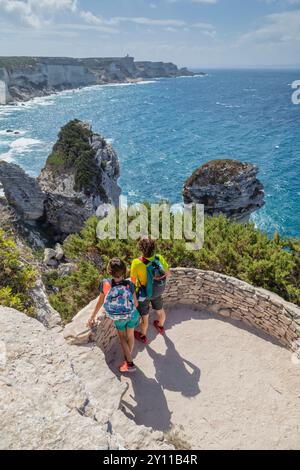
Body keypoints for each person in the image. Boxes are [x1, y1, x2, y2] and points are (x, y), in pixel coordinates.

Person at [87, 258, 139, 373]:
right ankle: (128, 359)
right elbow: (135, 303)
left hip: (118, 317)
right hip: (132, 314)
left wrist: (92, 317)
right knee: (130, 335)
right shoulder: (130, 284)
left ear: (109, 271)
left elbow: (100, 302)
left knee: (122, 337)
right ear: (125, 270)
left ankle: (130, 363)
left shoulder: (105, 284)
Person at [131, 237, 171, 344]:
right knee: (160, 310)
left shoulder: (136, 262)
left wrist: (134, 298)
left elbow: (132, 283)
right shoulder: (159, 258)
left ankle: (143, 335)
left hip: (144, 293)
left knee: (145, 317)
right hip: (157, 291)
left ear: (141, 249)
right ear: (154, 248)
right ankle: (160, 326)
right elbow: (168, 274)